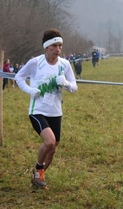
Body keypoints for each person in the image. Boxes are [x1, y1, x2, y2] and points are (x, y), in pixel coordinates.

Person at [15, 29, 77, 189]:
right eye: (54, 46)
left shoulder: (65, 64)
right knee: (49, 142)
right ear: (46, 47)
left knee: (53, 148)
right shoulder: (36, 62)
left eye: (60, 46)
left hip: (56, 111)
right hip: (37, 111)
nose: (58, 49)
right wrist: (30, 90)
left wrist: (66, 84)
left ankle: (38, 176)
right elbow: (18, 77)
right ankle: (38, 170)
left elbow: (74, 87)